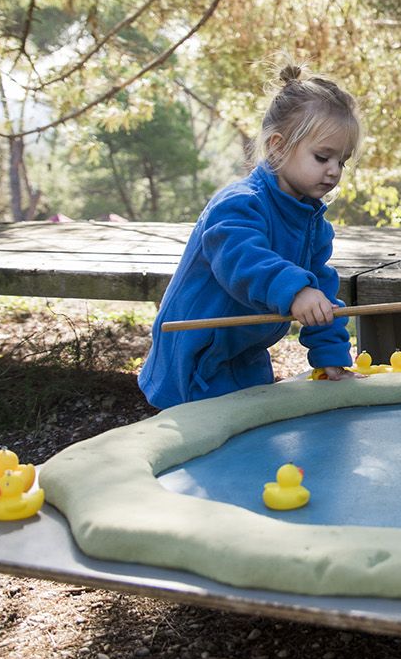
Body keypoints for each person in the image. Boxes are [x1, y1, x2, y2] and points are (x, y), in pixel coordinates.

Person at [139, 65, 361, 409]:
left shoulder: (312, 221)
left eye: (341, 161)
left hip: (246, 354)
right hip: (195, 357)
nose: (333, 170)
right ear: (277, 147)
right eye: (322, 156)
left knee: (251, 440)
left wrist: (329, 353)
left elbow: (322, 291)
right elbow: (243, 261)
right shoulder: (238, 204)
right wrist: (296, 291)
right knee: (205, 448)